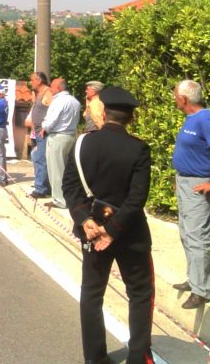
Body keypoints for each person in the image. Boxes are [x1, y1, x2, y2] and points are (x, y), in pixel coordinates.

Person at [62, 85, 153, 364]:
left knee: (91, 293)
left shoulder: (82, 143)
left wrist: (85, 219)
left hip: (91, 231)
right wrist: (112, 231)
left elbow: (70, 187)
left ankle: (95, 358)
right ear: (131, 118)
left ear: (103, 112)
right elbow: (137, 198)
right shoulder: (139, 148)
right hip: (130, 233)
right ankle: (138, 356)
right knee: (139, 293)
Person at [171, 79, 210, 309]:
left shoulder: (205, 119)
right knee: (186, 233)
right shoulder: (191, 118)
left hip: (199, 184)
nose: (174, 99)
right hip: (185, 182)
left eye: (176, 96)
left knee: (197, 237)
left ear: (184, 99)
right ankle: (194, 280)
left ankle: (201, 290)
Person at [41, 77, 81, 208]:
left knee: (56, 170)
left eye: (52, 87)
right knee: (67, 169)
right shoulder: (75, 101)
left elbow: (51, 120)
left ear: (58, 88)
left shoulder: (58, 101)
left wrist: (44, 127)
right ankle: (69, 196)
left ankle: (60, 200)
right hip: (70, 136)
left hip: (57, 137)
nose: (50, 89)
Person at [24, 72, 52, 199]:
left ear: (39, 80)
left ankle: (41, 189)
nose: (31, 83)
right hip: (36, 132)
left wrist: (45, 127)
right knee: (36, 157)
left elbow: (54, 112)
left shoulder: (48, 93)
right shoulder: (37, 94)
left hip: (44, 133)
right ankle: (42, 185)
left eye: (32, 80)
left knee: (41, 159)